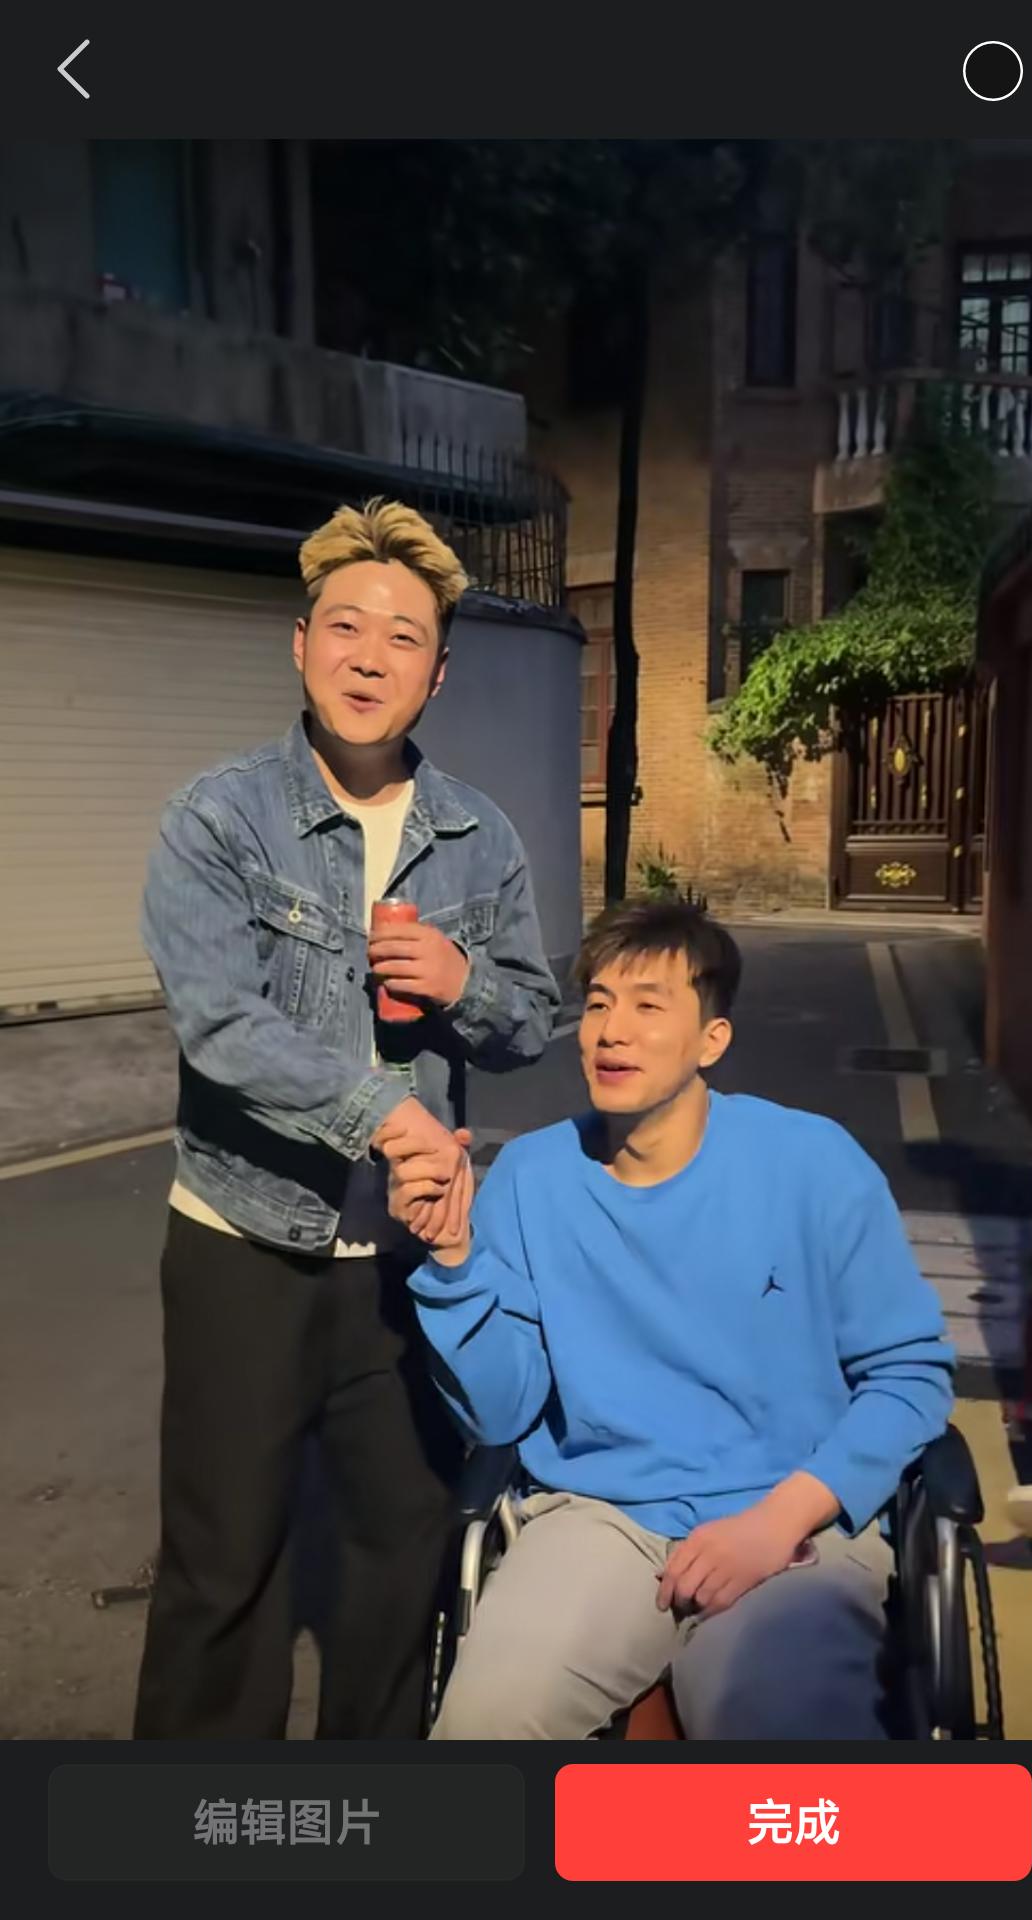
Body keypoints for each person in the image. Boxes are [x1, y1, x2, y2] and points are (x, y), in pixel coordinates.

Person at [134, 500, 559, 1740]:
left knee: (399, 1561)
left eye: (403, 637)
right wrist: (384, 1111)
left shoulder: (479, 836)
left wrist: (463, 983)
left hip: (410, 1260)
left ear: (439, 673)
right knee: (224, 1569)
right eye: (345, 627)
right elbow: (219, 1025)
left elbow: (532, 1023)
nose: (370, 658)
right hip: (241, 1241)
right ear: (301, 643)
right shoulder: (218, 818)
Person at [390, 901, 955, 1740]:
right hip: (598, 1517)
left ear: (711, 1041)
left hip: (787, 1522)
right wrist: (452, 1259)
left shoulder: (813, 1164)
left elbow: (910, 1376)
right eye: (599, 1004)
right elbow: (501, 1415)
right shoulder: (531, 1178)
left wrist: (779, 1520)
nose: (611, 1031)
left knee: (794, 1736)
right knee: (486, 1723)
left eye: (648, 1006)